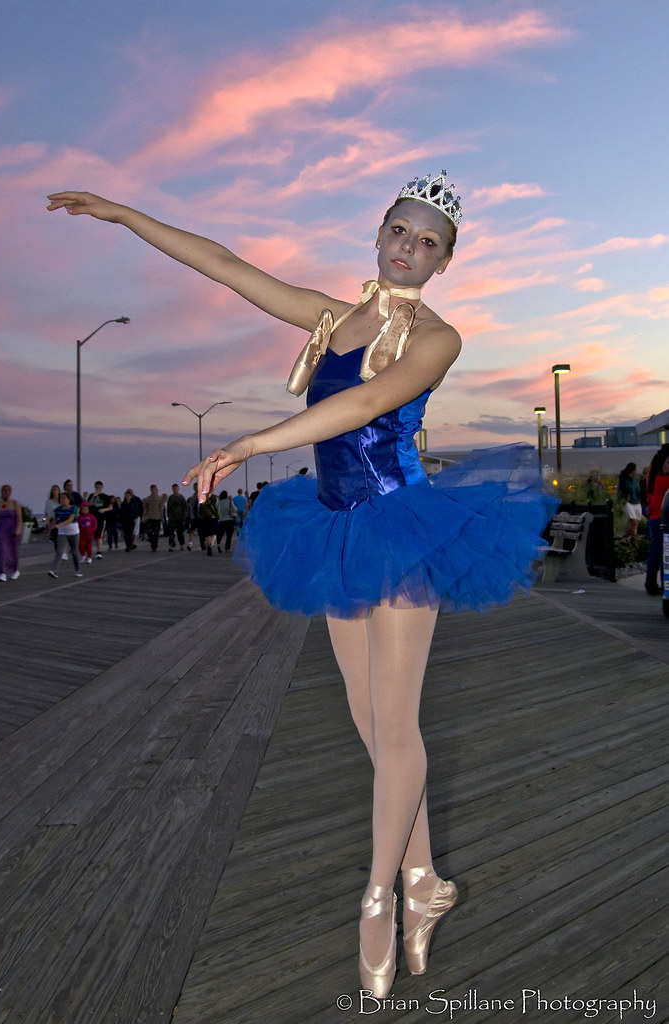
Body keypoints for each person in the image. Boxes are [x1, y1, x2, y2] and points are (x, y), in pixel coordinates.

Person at [47, 176, 557, 999]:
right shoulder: (330, 316)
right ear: (379, 230)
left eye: (428, 242)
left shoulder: (437, 337)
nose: (407, 248)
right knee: (369, 722)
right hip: (330, 527)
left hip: (400, 528)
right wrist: (122, 214)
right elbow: (222, 263)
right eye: (399, 230)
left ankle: (378, 901)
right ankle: (426, 877)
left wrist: (252, 441)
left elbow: (365, 400)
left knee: (396, 728)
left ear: (447, 259)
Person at [644, 446, 669, 595]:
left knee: (656, 553)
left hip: (654, 518)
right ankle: (665, 586)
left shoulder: (652, 479)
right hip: (663, 519)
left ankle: (651, 583)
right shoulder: (665, 480)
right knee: (665, 555)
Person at [0, 484, 22, 581]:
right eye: (4, 490)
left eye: (8, 491)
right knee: (1, 551)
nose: (6, 492)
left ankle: (14, 570)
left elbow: (19, 518)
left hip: (12, 531)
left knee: (12, 552)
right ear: (1, 492)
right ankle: (1, 572)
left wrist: (18, 529)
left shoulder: (15, 503)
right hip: (0, 531)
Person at [47, 492, 83, 578]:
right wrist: (49, 531)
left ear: (69, 499)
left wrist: (59, 525)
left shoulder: (73, 508)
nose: (62, 500)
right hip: (62, 532)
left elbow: (70, 519)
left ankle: (78, 570)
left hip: (73, 532)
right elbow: (54, 520)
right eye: (61, 498)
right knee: (59, 551)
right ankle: (54, 570)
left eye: (64, 498)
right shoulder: (58, 509)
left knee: (74, 551)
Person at [617, 462, 643, 538]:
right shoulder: (623, 480)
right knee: (633, 521)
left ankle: (628, 537)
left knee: (636, 523)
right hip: (628, 502)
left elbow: (638, 490)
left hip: (637, 502)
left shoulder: (635, 480)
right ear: (632, 470)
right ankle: (633, 538)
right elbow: (620, 492)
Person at [88, 480, 110, 558]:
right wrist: (94, 496)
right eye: (96, 487)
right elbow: (89, 505)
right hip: (93, 517)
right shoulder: (92, 495)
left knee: (100, 534)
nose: (98, 488)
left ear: (102, 487)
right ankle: (92, 550)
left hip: (101, 517)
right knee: (93, 534)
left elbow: (110, 507)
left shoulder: (105, 496)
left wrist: (104, 510)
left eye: (99, 487)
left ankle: (99, 551)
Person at [142, 485, 165, 551]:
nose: (153, 491)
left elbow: (161, 509)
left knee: (156, 532)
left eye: (154, 489)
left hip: (157, 517)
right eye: (152, 489)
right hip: (150, 517)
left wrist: (162, 517)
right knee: (149, 532)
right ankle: (152, 543)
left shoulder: (159, 499)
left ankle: (155, 545)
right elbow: (145, 508)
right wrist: (143, 516)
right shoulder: (148, 499)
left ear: (156, 490)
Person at [166, 483, 187, 551]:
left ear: (178, 489)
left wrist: (184, 517)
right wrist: (168, 515)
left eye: (176, 488)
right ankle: (172, 545)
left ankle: (181, 544)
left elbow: (185, 508)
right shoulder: (171, 498)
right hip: (172, 518)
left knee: (180, 532)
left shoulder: (181, 498)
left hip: (180, 518)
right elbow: (168, 507)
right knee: (171, 533)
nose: (174, 490)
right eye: (173, 489)